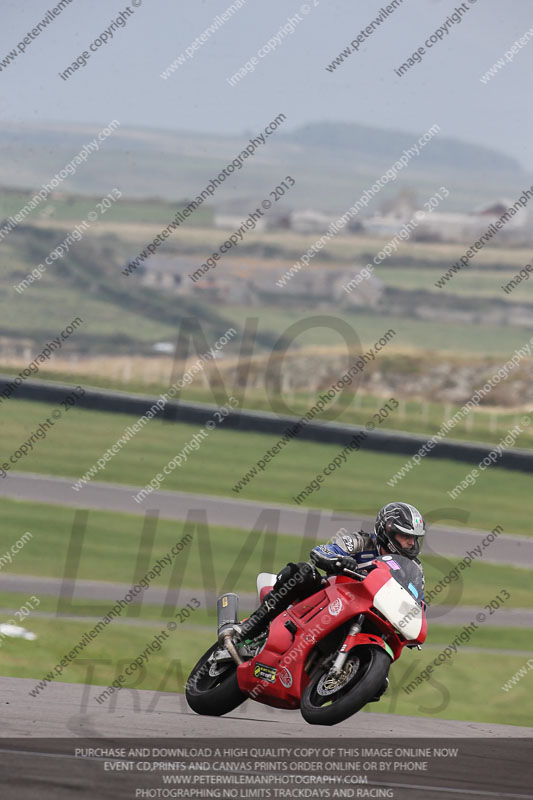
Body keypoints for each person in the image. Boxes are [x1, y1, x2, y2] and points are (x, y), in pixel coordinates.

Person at [231, 501, 426, 643]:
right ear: (387, 532)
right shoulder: (362, 541)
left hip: (369, 613)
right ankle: (254, 623)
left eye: (415, 538)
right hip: (332, 597)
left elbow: (417, 602)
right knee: (302, 572)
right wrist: (340, 561)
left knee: (381, 684)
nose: (411, 543)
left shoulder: (415, 569)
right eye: (405, 536)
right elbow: (324, 550)